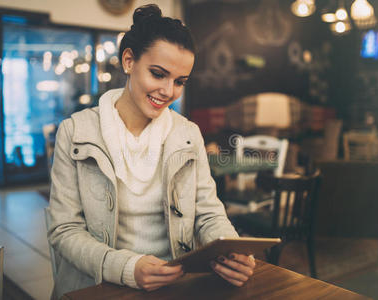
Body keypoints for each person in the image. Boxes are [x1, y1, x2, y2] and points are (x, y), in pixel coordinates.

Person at [48, 4, 255, 298]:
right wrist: (127, 267)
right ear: (129, 61)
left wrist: (232, 250)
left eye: (180, 81)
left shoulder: (187, 134)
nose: (169, 91)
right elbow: (64, 230)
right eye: (158, 74)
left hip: (173, 285)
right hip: (99, 288)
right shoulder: (76, 132)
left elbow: (208, 214)